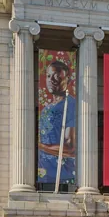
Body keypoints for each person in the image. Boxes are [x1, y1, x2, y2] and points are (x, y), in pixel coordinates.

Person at [37, 59, 77, 189]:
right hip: (44, 173)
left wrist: (40, 146)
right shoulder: (46, 109)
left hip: (62, 174)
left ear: (67, 79)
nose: (52, 80)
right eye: (49, 76)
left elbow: (70, 148)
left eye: (57, 76)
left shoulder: (70, 104)